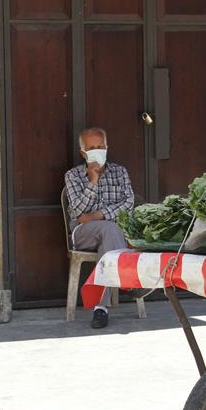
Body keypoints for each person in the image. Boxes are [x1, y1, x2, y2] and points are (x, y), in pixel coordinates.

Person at [64, 127, 134, 329]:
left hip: (113, 232)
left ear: (107, 147)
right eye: (91, 147)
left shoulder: (120, 172)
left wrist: (99, 215)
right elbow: (78, 211)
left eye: (100, 146)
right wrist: (92, 181)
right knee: (110, 230)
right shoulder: (73, 175)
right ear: (83, 152)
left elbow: (129, 203)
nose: (97, 150)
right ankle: (127, 279)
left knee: (109, 234)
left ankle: (100, 308)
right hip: (82, 233)